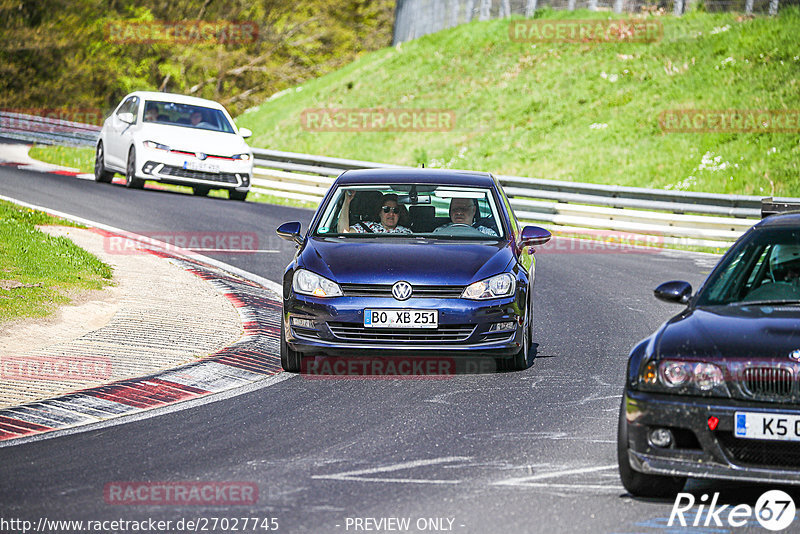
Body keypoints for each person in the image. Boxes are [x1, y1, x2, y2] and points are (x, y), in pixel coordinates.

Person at [338, 192, 411, 234]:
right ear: (379, 212)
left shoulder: (406, 233)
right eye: (386, 209)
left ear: (399, 214)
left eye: (395, 210)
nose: (391, 214)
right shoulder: (366, 227)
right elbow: (343, 232)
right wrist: (347, 201)